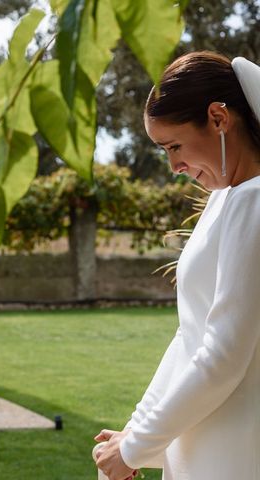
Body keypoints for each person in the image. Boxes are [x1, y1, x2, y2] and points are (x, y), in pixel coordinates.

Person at [94, 51, 260, 480]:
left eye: (175, 146)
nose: (174, 166)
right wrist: (135, 431)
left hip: (234, 449)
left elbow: (223, 356)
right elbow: (189, 335)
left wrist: (135, 446)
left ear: (219, 118)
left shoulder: (253, 199)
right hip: (206, 444)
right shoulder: (227, 197)